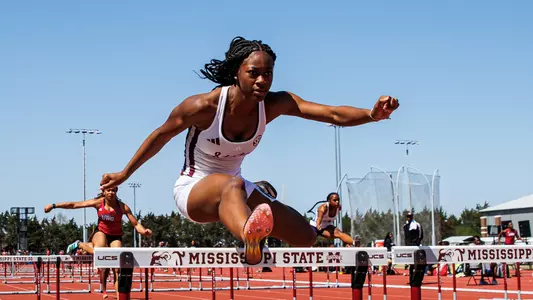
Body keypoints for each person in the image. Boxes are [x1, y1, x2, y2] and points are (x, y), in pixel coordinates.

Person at [99, 36, 399, 265]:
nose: (261, 81)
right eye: (254, 73)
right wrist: (124, 173)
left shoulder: (273, 104)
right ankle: (249, 240)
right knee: (233, 183)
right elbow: (160, 136)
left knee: (305, 235)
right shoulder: (203, 106)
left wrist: (371, 115)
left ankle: (253, 232)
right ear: (237, 73)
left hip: (238, 190)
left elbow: (331, 114)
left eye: (268, 74)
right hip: (194, 191)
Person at [44, 186, 153, 299]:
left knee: (117, 268)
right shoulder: (98, 203)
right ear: (104, 192)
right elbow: (75, 205)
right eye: (108, 190)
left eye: (113, 190)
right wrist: (54, 205)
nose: (111, 192)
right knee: (101, 250)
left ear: (116, 191)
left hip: (116, 236)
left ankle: (118, 296)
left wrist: (144, 231)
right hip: (100, 232)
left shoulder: (122, 206)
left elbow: (135, 224)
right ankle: (80, 244)